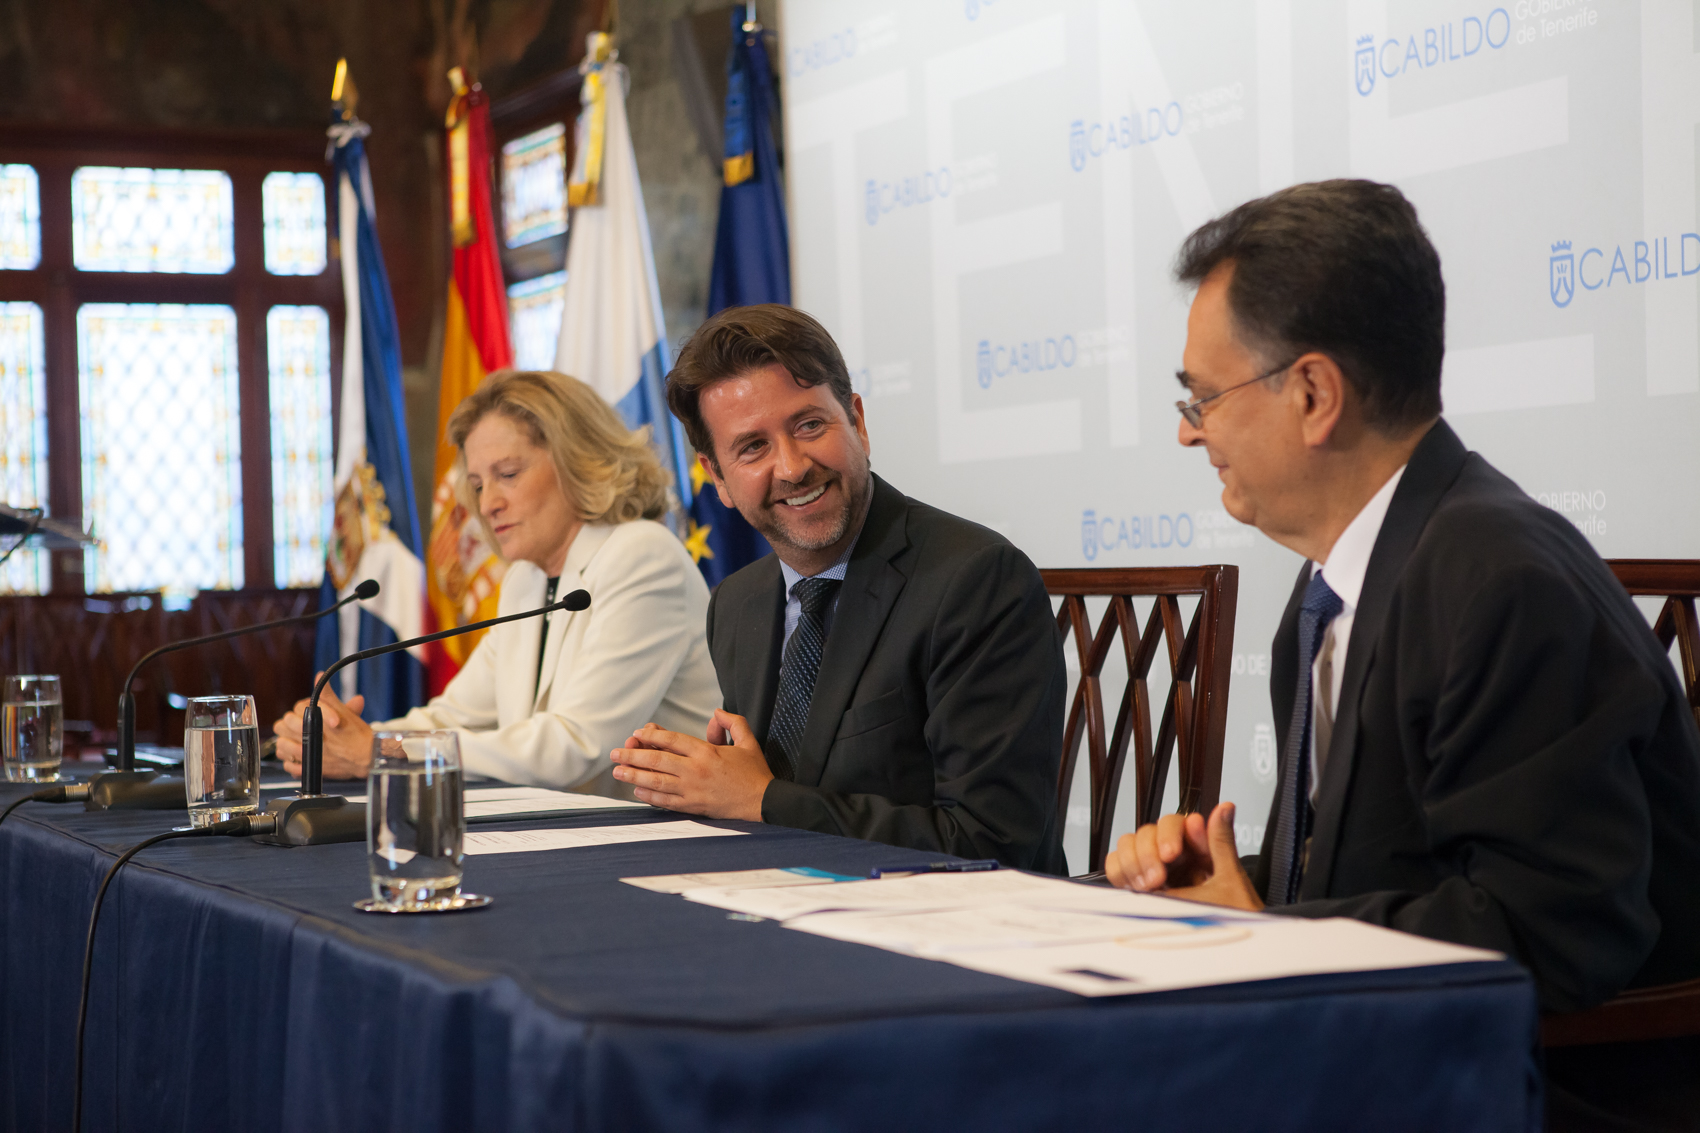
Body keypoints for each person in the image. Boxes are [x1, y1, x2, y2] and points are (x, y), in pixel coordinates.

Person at [1104, 179, 1700, 1125]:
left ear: (1312, 393)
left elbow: (1552, 931)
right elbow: (1387, 871)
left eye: (1202, 396)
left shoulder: (1500, 580)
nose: (1189, 429)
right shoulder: (1333, 585)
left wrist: (1263, 933)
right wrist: (1224, 881)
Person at [607, 304, 1067, 871]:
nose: (794, 467)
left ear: (858, 422)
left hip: (953, 929)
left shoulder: (977, 579)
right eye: (752, 447)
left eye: (809, 425)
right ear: (718, 479)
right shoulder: (735, 603)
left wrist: (760, 800)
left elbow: (990, 843)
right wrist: (702, 786)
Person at [273, 370, 720, 794]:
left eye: (507, 475)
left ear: (579, 462)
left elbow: (576, 745)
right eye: (478, 485)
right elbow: (457, 717)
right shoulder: (526, 579)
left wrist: (377, 752)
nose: (488, 504)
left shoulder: (642, 555)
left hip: (667, 841)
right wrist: (335, 739)